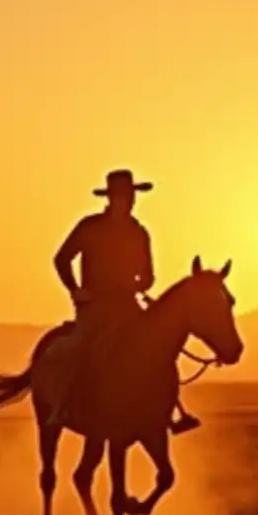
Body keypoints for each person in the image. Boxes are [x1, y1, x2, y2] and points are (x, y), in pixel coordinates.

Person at [48, 169, 201, 433]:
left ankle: (169, 409)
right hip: (94, 307)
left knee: (154, 349)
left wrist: (141, 284)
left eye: (131, 196)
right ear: (112, 198)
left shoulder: (139, 232)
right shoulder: (90, 227)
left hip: (127, 305)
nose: (129, 201)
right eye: (124, 196)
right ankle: (62, 406)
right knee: (79, 347)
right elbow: (61, 258)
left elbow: (149, 274)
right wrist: (75, 289)